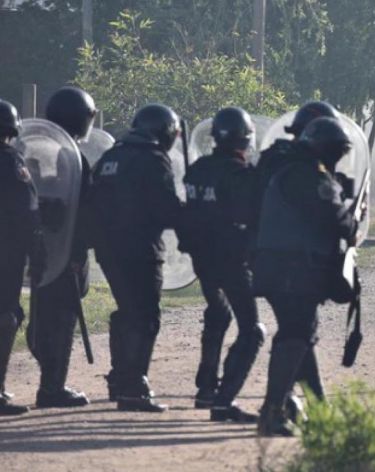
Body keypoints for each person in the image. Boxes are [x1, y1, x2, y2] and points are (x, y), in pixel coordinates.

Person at [252, 116, 357, 437]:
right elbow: (338, 221)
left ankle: (320, 408)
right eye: (336, 153)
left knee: (300, 333)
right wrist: (353, 217)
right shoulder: (310, 176)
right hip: (293, 269)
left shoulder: (289, 170)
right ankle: (272, 412)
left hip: (278, 267)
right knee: (296, 335)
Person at [89, 104, 183, 412]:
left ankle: (119, 379)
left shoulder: (110, 158)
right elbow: (167, 209)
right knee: (145, 317)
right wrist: (193, 217)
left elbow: (91, 203)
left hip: (109, 251)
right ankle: (134, 386)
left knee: (127, 311)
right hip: (142, 249)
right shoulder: (154, 160)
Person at [181, 108, 264, 422]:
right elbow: (248, 216)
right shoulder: (239, 175)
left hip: (202, 260)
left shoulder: (198, 168)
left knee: (217, 313)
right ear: (244, 138)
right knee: (252, 330)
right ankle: (223, 400)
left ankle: (206, 387)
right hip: (231, 260)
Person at [25, 87, 97, 409]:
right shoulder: (74, 158)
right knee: (62, 318)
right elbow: (84, 211)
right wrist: (81, 250)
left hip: (40, 251)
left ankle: (49, 381)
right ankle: (52, 387)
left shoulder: (41, 151)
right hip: (66, 252)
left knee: (42, 316)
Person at [0, 100, 43, 416]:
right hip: (5, 253)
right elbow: (26, 210)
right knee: (6, 315)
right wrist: (36, 249)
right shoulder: (9, 161)